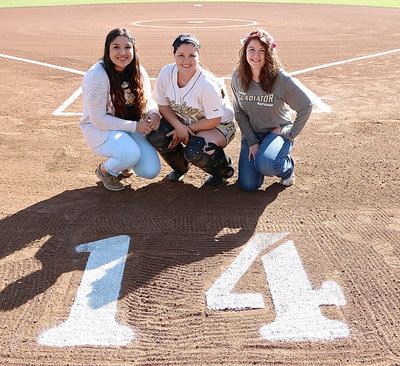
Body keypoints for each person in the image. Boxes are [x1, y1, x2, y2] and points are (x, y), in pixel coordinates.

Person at [147, 33, 236, 186]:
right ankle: (180, 168)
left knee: (195, 150)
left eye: (192, 55)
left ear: (198, 56)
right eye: (181, 55)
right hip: (185, 122)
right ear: (173, 54)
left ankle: (222, 168)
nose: (186, 60)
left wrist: (185, 129)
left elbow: (214, 119)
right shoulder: (166, 73)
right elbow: (163, 105)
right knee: (157, 134)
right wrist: (179, 126)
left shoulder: (207, 85)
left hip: (219, 125)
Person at [231, 29, 313, 191]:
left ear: (268, 54)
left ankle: (287, 168)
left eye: (262, 50)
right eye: (251, 50)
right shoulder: (237, 77)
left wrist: (289, 132)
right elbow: (239, 113)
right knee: (249, 185)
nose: (256, 55)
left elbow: (306, 105)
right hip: (252, 134)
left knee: (267, 165)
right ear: (244, 52)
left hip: (276, 133)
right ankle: (263, 158)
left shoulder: (280, 78)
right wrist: (253, 142)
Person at [80, 28, 161, 191]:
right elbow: (99, 119)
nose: (122, 52)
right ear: (107, 49)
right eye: (116, 47)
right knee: (130, 154)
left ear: (134, 49)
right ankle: (105, 170)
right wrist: (135, 126)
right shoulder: (97, 74)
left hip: (129, 128)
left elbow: (147, 100)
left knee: (150, 171)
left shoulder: (137, 70)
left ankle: (123, 158)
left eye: (127, 47)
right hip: (101, 129)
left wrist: (154, 112)